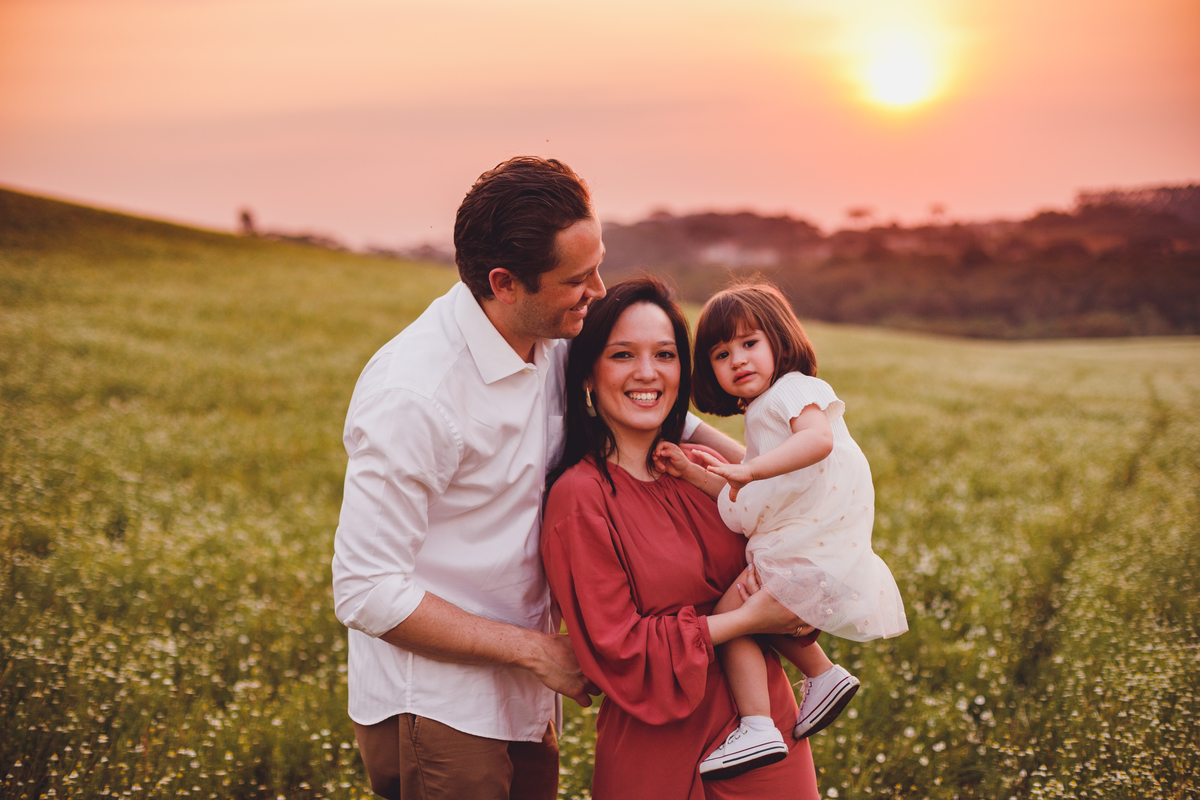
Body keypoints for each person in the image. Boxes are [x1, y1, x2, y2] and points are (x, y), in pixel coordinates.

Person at [331, 157, 743, 800]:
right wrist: (536, 651)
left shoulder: (549, 333)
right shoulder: (414, 394)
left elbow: (653, 409)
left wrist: (770, 479)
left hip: (524, 697)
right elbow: (364, 589)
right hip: (437, 709)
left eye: (598, 264)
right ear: (504, 283)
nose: (600, 291)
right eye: (578, 278)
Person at [541, 276, 822, 799]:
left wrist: (801, 601)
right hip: (661, 747)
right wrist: (745, 619)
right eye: (623, 354)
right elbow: (618, 648)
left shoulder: (701, 468)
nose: (647, 373)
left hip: (769, 736)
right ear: (587, 375)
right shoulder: (580, 498)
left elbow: (783, 545)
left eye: (665, 355)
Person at [657, 282, 907, 779]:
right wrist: (694, 474)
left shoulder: (793, 390)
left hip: (811, 546)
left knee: (732, 620)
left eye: (750, 344)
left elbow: (817, 442)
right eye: (721, 353)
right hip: (802, 546)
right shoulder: (761, 421)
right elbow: (741, 502)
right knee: (751, 616)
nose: (737, 360)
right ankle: (821, 675)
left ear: (779, 339)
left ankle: (758, 726)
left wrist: (750, 469)